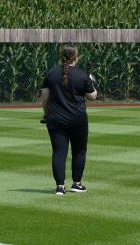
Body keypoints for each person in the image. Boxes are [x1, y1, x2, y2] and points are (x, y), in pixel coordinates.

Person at [40, 44, 97, 195]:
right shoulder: (82, 75)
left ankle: (60, 187)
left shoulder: (51, 73)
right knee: (79, 151)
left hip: (55, 118)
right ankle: (76, 184)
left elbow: (44, 98)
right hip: (78, 119)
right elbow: (93, 96)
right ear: (75, 58)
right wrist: (90, 81)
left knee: (59, 153)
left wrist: (46, 114)